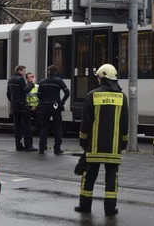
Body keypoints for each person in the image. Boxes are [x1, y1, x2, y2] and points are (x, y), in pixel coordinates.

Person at [75, 64, 129, 215]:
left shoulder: (92, 95)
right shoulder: (122, 97)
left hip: (94, 146)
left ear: (102, 78)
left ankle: (85, 206)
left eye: (98, 78)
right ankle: (110, 208)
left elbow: (86, 122)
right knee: (111, 177)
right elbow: (125, 123)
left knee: (89, 176)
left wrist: (83, 141)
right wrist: (123, 143)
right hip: (114, 147)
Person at [38, 64, 70, 155]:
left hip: (45, 106)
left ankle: (42, 148)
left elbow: (39, 95)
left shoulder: (42, 81)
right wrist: (62, 102)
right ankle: (57, 148)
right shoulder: (59, 81)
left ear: (48, 71)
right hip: (56, 105)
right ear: (56, 72)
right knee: (57, 128)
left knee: (44, 128)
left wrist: (43, 101)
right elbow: (67, 92)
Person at [7, 65, 33, 151]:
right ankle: (28, 146)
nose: (25, 73)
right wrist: (31, 84)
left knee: (17, 126)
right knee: (27, 125)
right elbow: (26, 90)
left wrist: (13, 101)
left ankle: (18, 145)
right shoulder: (21, 79)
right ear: (20, 70)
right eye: (24, 71)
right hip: (22, 105)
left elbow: (8, 93)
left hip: (14, 105)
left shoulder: (10, 80)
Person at [24, 72, 40, 138]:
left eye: (33, 76)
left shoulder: (37, 87)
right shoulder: (25, 87)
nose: (33, 78)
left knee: (40, 124)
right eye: (31, 77)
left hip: (36, 108)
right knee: (28, 126)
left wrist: (36, 106)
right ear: (26, 79)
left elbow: (41, 98)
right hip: (27, 108)